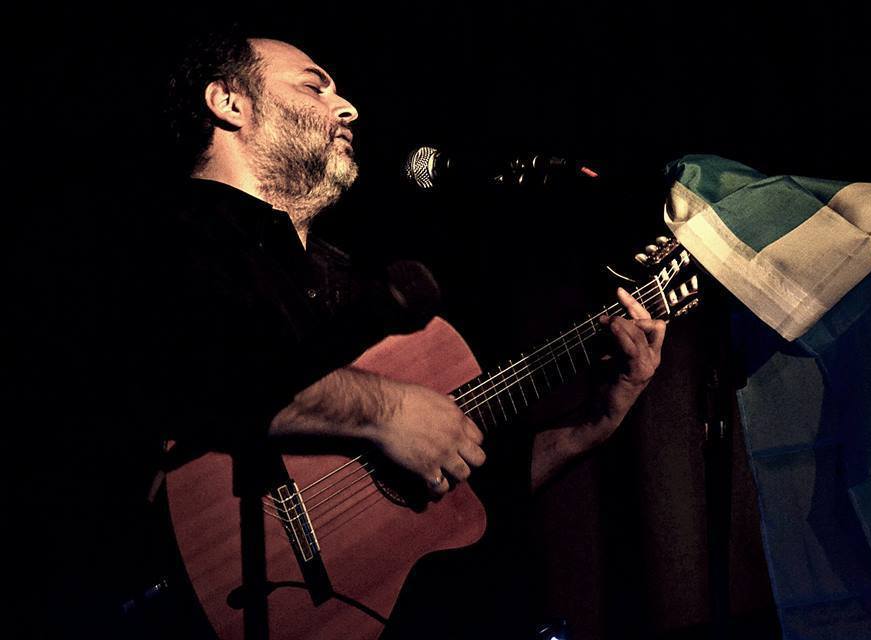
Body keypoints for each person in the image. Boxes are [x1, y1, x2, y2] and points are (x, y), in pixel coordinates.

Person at [45, 30, 666, 639]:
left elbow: (470, 492)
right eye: (314, 87)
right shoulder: (151, 239)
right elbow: (187, 370)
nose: (347, 108)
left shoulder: (345, 280)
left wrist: (595, 422)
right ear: (228, 102)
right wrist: (387, 411)